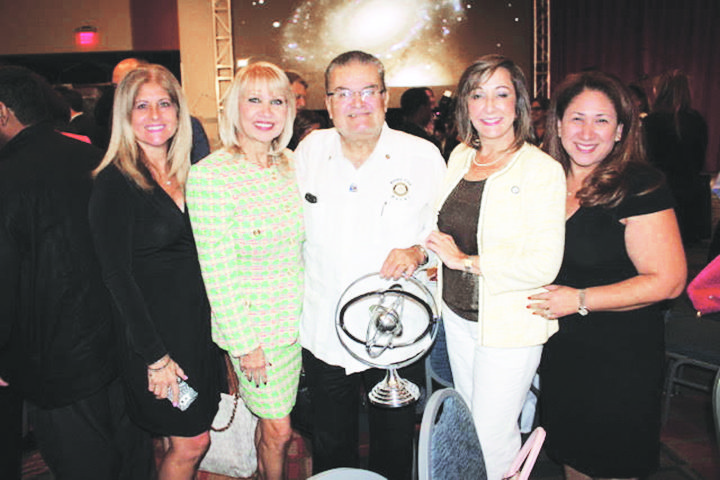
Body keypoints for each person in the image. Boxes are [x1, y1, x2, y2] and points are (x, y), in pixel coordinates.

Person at [295, 50, 446, 480]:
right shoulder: (309, 152)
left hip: (399, 329)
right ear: (328, 103)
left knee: (395, 445)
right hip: (325, 330)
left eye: (367, 91)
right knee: (331, 444)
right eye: (343, 93)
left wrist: (417, 252)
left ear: (385, 97)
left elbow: (446, 235)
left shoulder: (422, 156)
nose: (357, 103)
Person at [530, 71, 686, 480]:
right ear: (557, 124)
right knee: (572, 458)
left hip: (620, 355)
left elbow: (669, 280)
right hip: (561, 351)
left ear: (620, 131)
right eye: (577, 118)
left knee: (612, 463)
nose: (587, 132)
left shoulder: (639, 186)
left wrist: (579, 299)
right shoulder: (542, 181)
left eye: (601, 120)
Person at [0, 66, 152, 480]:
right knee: (133, 463)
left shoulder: (7, 176)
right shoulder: (96, 158)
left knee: (83, 466)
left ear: (3, 112)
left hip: (54, 363)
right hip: (122, 350)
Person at [424, 54, 566, 480]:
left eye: (501, 94)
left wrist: (465, 262)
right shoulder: (460, 157)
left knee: (492, 436)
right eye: (477, 94)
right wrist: (428, 255)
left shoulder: (541, 170)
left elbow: (544, 263)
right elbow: (443, 228)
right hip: (458, 316)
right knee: (470, 424)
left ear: (518, 103)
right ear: (465, 105)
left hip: (509, 324)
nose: (489, 106)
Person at [89, 64, 221, 480]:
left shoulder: (191, 172)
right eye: (141, 106)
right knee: (192, 442)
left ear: (179, 112)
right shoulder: (114, 181)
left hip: (196, 334)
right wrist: (155, 357)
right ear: (124, 115)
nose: (154, 115)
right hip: (155, 342)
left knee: (173, 438)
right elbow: (116, 277)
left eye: (164, 104)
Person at [186, 61, 302, 480]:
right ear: (235, 107)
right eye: (254, 100)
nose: (266, 111)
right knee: (280, 430)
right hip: (257, 333)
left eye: (277, 101)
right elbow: (216, 271)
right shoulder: (210, 176)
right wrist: (244, 344)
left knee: (273, 426)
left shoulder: (292, 165)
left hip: (301, 323)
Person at [644, 69, 708, 246]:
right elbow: (700, 159)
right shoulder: (697, 120)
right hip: (689, 191)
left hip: (659, 191)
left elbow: (646, 160)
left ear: (660, 91)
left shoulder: (652, 121)